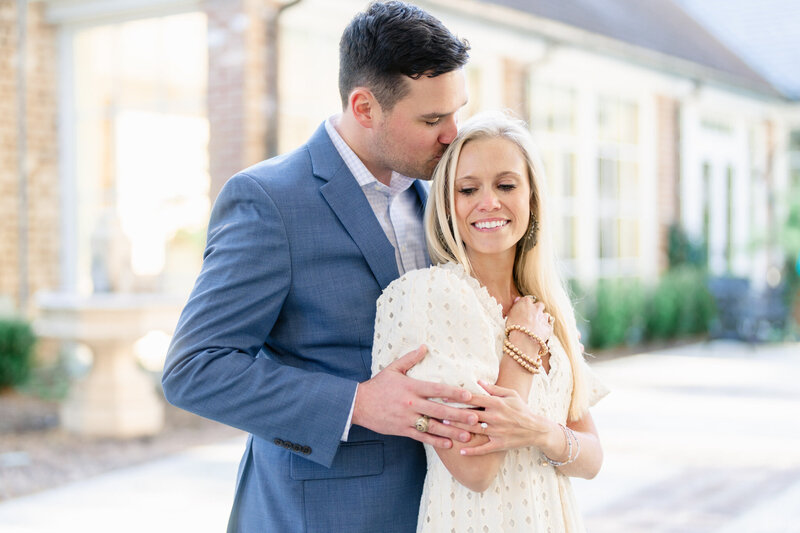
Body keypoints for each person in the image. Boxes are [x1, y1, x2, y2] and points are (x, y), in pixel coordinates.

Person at [161, 3, 477, 532]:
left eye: (457, 111)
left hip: (444, 506)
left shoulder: (444, 191)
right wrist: (356, 403)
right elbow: (195, 369)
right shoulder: (268, 200)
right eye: (432, 119)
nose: (453, 133)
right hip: (322, 514)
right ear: (364, 107)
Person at [371, 111, 609, 532]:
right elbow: (474, 468)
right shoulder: (430, 296)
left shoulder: (544, 307)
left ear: (531, 198)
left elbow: (591, 459)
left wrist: (540, 432)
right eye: (468, 189)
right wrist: (521, 349)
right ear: (448, 203)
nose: (488, 202)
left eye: (505, 185)